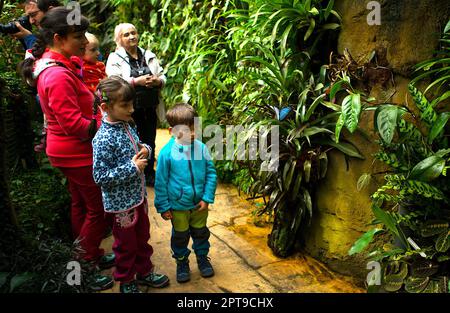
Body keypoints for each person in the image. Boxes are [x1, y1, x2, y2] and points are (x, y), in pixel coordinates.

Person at [20, 7, 114, 291]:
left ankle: (90, 254)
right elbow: (75, 124)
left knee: (81, 204)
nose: (85, 42)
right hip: (75, 152)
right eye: (78, 36)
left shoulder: (56, 65)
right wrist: (107, 123)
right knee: (99, 209)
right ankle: (81, 265)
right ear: (59, 38)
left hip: (66, 151)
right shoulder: (56, 75)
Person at [92, 76, 170, 293]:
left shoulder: (127, 125)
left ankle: (145, 272)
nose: (132, 109)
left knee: (143, 238)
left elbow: (138, 145)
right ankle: (126, 280)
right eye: (125, 105)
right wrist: (133, 168)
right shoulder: (103, 139)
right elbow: (100, 176)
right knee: (126, 245)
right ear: (106, 107)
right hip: (120, 206)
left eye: (132, 104)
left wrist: (145, 148)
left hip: (138, 197)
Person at [154, 103, 217, 283]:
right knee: (180, 237)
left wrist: (207, 198)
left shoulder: (201, 148)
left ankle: (202, 258)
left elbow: (211, 173)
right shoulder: (167, 154)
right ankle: (182, 262)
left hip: (199, 205)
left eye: (194, 128)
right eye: (185, 131)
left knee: (201, 233)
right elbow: (161, 183)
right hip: (178, 207)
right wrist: (164, 206)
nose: (191, 134)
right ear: (171, 131)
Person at [105, 23, 165, 187]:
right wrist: (135, 82)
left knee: (150, 139)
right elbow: (114, 81)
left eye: (133, 33)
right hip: (129, 110)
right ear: (119, 39)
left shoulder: (148, 55)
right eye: (126, 35)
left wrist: (157, 81)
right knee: (132, 141)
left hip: (149, 106)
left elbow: (162, 76)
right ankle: (134, 172)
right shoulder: (114, 58)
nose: (131, 37)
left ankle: (149, 174)